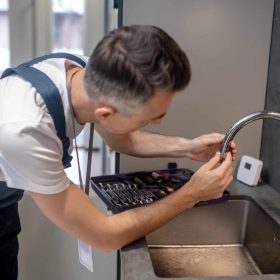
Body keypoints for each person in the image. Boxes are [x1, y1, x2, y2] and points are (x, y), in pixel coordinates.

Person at [0, 25, 236, 279]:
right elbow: (103, 235)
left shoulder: (87, 71)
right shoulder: (26, 130)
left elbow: (120, 138)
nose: (155, 123)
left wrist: (188, 147)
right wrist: (192, 194)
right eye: (146, 120)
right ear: (105, 114)